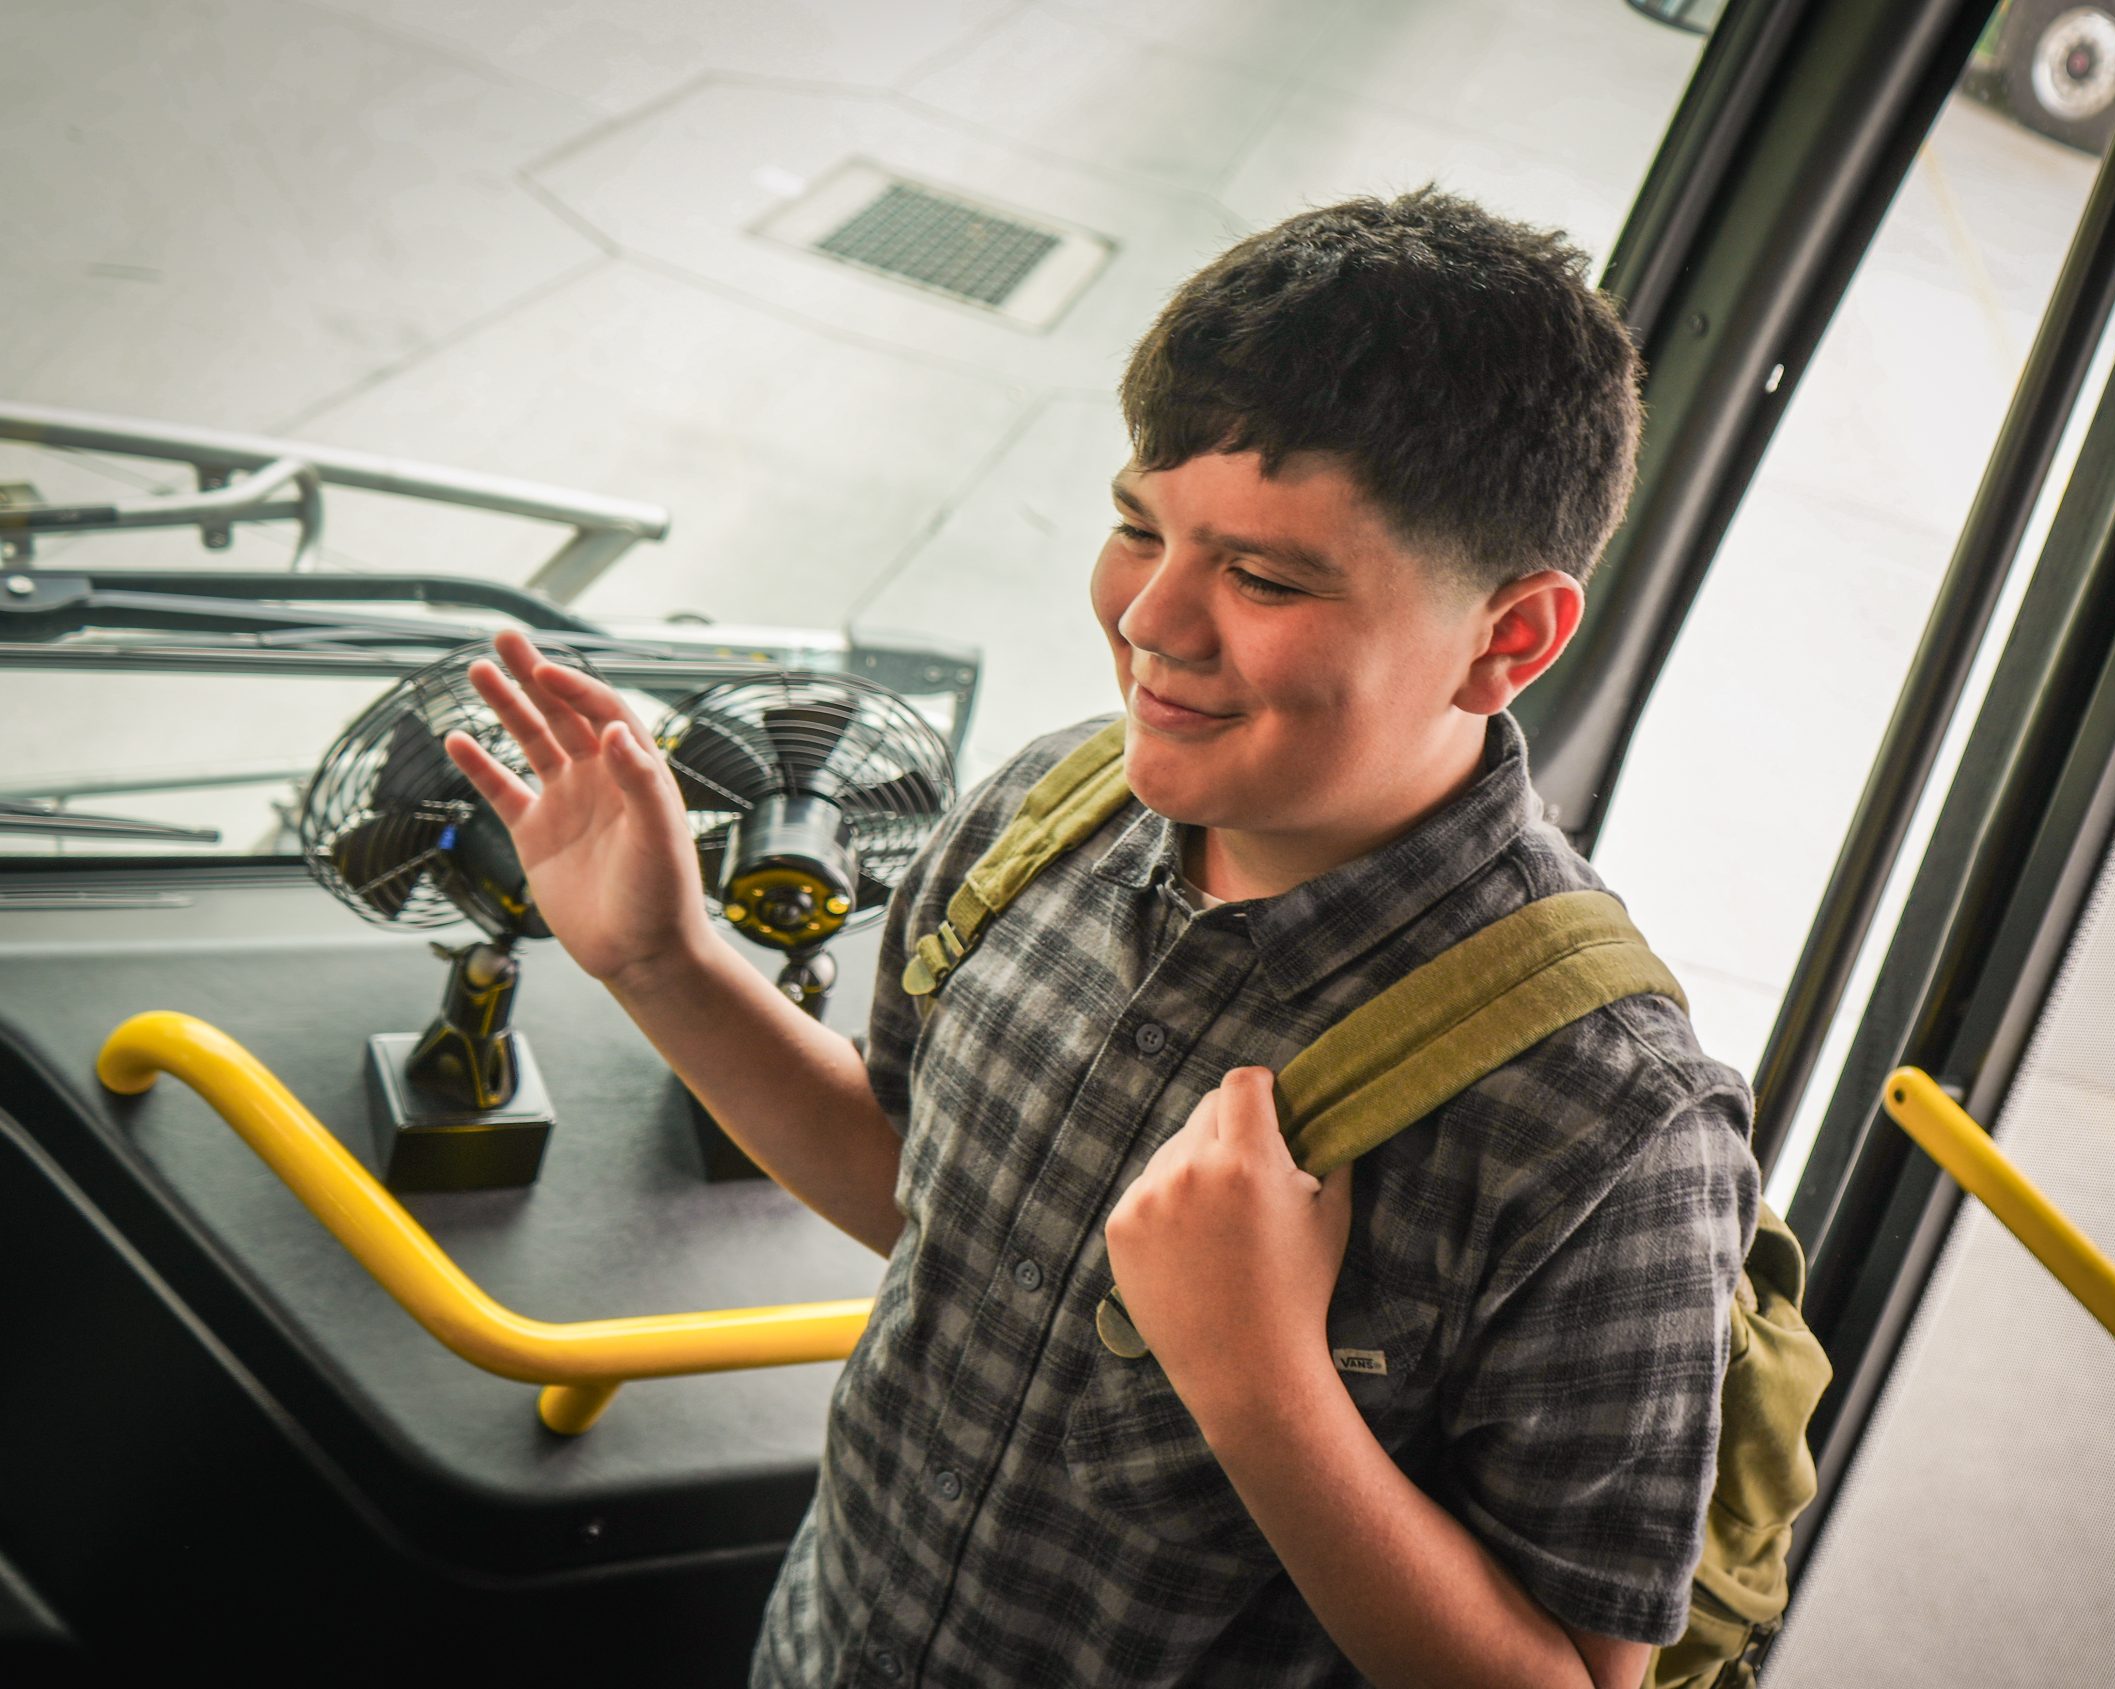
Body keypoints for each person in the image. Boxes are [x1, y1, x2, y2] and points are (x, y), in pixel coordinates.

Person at [445, 187, 1757, 1689]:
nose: (1153, 621)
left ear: (1507, 640)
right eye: (1140, 527)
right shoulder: (1045, 808)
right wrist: (663, 961)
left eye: (1264, 576)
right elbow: (917, 1188)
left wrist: (1262, 1385)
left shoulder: (1609, 1123)